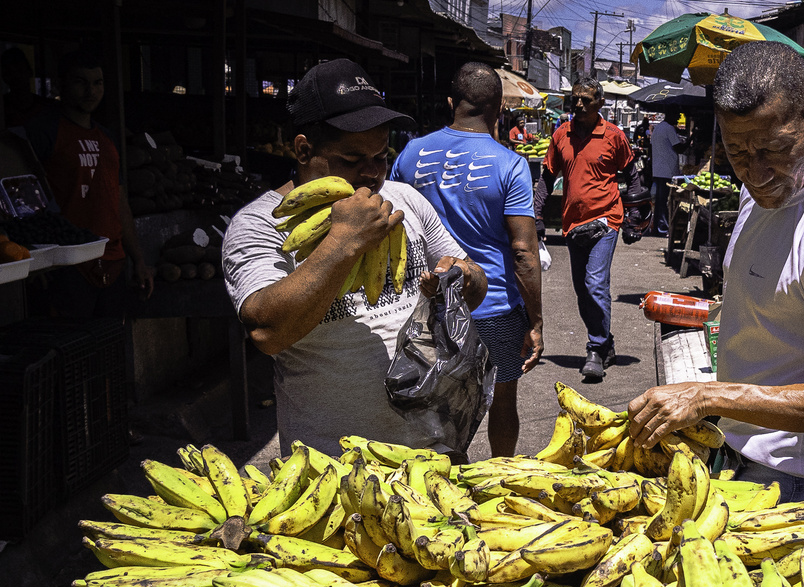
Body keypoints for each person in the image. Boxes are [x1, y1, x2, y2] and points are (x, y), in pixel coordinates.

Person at [625, 42, 804, 509]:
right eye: (738, 152)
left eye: (775, 149)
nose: (757, 172)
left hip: (802, 485)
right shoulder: (762, 189)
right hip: (737, 454)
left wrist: (710, 397)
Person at [223, 59, 487, 458]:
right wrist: (344, 241)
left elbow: (477, 283)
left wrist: (463, 279)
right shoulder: (260, 224)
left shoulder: (405, 201)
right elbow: (266, 332)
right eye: (352, 160)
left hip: (434, 452)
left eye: (381, 156)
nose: (373, 174)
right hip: (334, 468)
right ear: (303, 148)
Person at [392, 62, 545, 459]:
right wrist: (536, 320)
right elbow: (524, 252)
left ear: (450, 103)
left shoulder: (410, 154)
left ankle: (442, 481)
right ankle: (503, 477)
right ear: (498, 109)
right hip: (493, 305)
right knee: (502, 399)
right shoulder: (510, 164)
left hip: (428, 302)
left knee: (433, 401)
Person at [22, 51, 154, 317]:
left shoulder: (107, 139)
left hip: (113, 263)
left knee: (111, 347)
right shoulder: (42, 133)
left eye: (98, 83)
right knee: (72, 349)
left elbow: (119, 201)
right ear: (60, 85)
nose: (90, 91)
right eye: (80, 82)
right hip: (66, 266)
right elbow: (19, 196)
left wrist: (138, 258)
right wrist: (33, 255)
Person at [544, 79, 633, 382]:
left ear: (600, 103)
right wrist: (536, 215)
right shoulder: (561, 135)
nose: (578, 104)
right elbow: (546, 177)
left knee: (595, 283)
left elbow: (633, 175)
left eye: (585, 100)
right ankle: (605, 343)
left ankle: (594, 348)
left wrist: (635, 217)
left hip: (606, 220)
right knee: (583, 290)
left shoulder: (613, 136)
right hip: (573, 224)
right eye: (575, 99)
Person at [648, 111, 682, 237]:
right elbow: (678, 148)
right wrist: (690, 140)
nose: (678, 118)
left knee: (660, 202)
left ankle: (658, 228)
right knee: (663, 202)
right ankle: (662, 228)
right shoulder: (668, 128)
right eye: (677, 115)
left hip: (658, 169)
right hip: (666, 171)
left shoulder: (659, 128)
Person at [2, 47, 44, 128]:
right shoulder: (46, 107)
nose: (16, 76)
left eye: (19, 70)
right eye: (10, 72)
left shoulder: (45, 107)